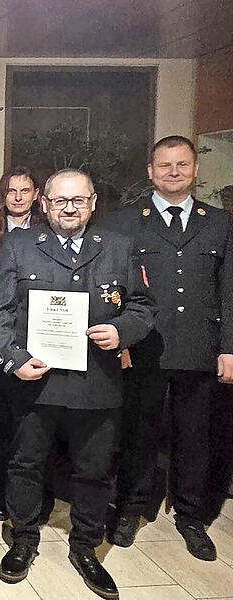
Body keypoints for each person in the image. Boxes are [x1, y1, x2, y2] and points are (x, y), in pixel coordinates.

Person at [0, 169, 154, 600]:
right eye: (60, 200)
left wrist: (121, 332)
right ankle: (23, 538)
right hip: (35, 381)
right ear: (45, 204)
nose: (69, 208)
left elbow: (142, 307)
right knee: (25, 463)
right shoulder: (20, 246)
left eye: (78, 200)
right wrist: (14, 361)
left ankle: (86, 547)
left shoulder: (117, 247)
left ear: (92, 203)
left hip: (96, 382)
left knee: (94, 470)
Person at [104, 135, 233, 560]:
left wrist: (229, 347)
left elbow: (229, 291)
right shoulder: (125, 222)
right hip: (144, 348)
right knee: (138, 431)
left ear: (195, 169)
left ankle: (192, 516)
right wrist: (119, 339)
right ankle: (131, 507)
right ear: (150, 172)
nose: (173, 172)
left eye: (181, 164)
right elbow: (113, 291)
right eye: (164, 165)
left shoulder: (220, 223)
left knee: (196, 437)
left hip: (200, 347)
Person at [0, 166, 44, 521]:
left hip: (38, 339)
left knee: (33, 422)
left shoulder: (48, 234)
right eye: (11, 191)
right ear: (2, 197)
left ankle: (33, 494)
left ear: (36, 195)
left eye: (25, 190)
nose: (17, 197)